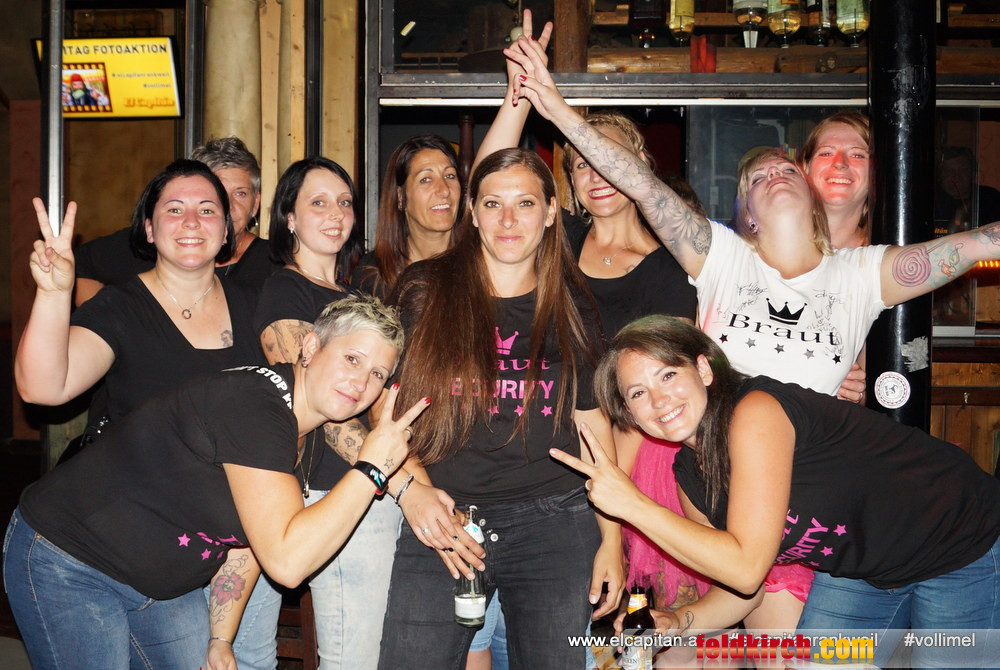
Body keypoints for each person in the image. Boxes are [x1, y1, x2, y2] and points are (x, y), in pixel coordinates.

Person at [4, 295, 429, 670]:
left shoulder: (304, 429)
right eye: (352, 359)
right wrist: (371, 469)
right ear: (311, 347)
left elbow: (249, 541)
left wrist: (221, 639)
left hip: (157, 585)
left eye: (378, 373)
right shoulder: (255, 404)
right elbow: (287, 562)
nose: (361, 382)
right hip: (72, 559)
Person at [550, 315, 1000, 667]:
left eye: (668, 375)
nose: (659, 400)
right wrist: (677, 621)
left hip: (957, 540)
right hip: (864, 570)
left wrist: (633, 505)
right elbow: (743, 588)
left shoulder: (756, 412)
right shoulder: (690, 477)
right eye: (637, 393)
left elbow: (745, 568)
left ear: (703, 369)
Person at [14, 160, 278, 669]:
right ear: (150, 229)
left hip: (171, 565)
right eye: (174, 210)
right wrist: (52, 293)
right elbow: (43, 388)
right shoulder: (121, 307)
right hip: (76, 551)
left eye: (207, 210)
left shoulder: (257, 309)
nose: (192, 221)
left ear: (228, 229)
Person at [377, 148, 624, 670]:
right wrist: (411, 491)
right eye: (492, 204)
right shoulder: (424, 289)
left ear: (552, 211)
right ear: (472, 211)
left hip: (554, 522)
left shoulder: (573, 303)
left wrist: (613, 537)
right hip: (444, 512)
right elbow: (385, 406)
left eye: (525, 203)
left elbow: (591, 424)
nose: (508, 220)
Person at [255, 156, 398, 668]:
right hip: (323, 488)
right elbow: (322, 409)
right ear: (289, 218)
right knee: (350, 657)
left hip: (370, 483)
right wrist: (398, 479)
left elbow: (380, 404)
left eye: (344, 203)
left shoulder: (358, 296)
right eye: (318, 203)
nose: (336, 214)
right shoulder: (283, 289)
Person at [74, 136, 279, 306]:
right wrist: (107, 324)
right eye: (218, 194)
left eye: (241, 194)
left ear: (256, 203)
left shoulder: (276, 263)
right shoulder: (157, 241)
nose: (229, 205)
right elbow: (84, 262)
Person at [351, 134, 462, 298]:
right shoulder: (372, 274)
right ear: (401, 197)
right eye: (426, 179)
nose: (444, 190)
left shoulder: (479, 265)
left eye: (450, 176)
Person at [799, 111, 872, 251]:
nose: (839, 163)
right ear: (805, 168)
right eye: (826, 153)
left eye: (857, 155)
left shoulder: (892, 251)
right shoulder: (768, 248)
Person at [935, 145, 1000, 229]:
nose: (956, 176)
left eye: (963, 170)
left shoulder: (991, 198)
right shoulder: (930, 199)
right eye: (949, 171)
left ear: (972, 173)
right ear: (940, 174)